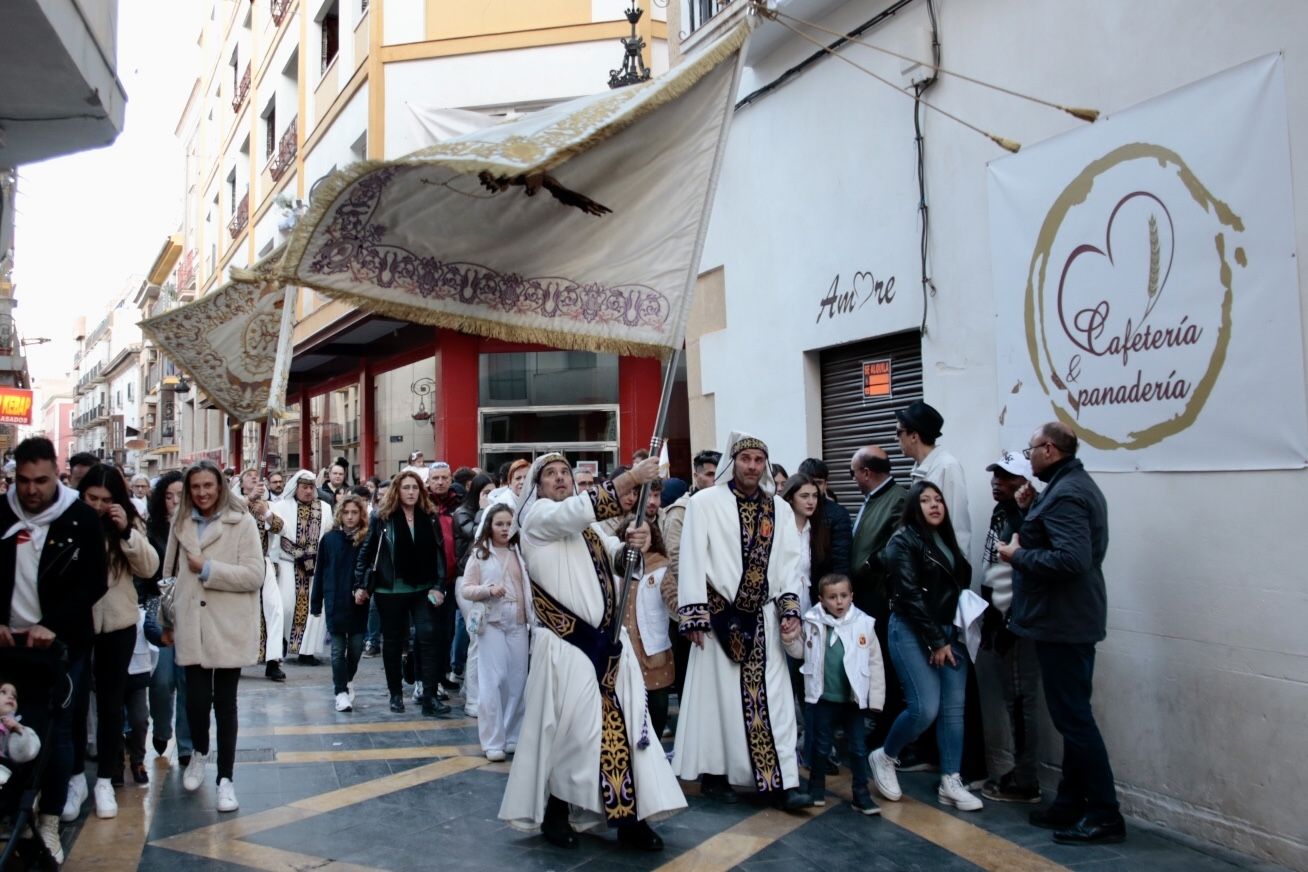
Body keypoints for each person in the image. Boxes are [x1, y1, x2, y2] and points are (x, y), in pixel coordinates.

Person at [500, 454, 683, 851]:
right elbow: (577, 511)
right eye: (551, 474)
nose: (561, 478)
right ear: (537, 486)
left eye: (565, 472)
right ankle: (556, 812)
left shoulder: (589, 529)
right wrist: (632, 478)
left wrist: (634, 546)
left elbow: (614, 558)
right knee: (574, 734)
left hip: (607, 646)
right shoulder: (537, 519)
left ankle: (631, 820)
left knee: (629, 731)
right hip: (567, 646)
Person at [998, 422, 1124, 845]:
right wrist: (1034, 506)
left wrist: (1017, 556)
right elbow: (1059, 537)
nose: (1027, 455)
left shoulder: (1069, 492)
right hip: (1065, 619)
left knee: (1075, 719)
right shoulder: (1064, 488)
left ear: (1049, 450)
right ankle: (1071, 802)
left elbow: (1072, 559)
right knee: (1073, 716)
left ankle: (1105, 813)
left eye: (1031, 448)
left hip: (1064, 621)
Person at [674, 432, 811, 810]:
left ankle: (780, 781)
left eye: (758, 459)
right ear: (732, 462)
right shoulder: (704, 503)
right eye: (746, 458)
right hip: (718, 618)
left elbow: (788, 564)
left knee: (776, 702)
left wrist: (789, 611)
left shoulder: (778, 510)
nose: (752, 465)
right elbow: (691, 559)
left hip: (764, 617)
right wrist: (694, 614)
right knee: (718, 700)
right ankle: (718, 773)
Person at [0, 437, 108, 861]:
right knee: (9, 725)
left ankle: (48, 820)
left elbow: (92, 583)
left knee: (58, 731)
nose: (31, 490)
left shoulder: (79, 518)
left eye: (41, 480)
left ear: (55, 473)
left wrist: (52, 626)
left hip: (61, 643)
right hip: (8, 644)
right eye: (23, 481)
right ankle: (10, 811)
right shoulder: (2, 512)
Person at [869, 481, 982, 812]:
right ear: (913, 508)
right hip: (912, 629)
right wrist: (936, 640)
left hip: (949, 631)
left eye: (938, 500)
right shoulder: (902, 540)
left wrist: (949, 634)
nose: (935, 505)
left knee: (953, 709)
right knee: (924, 708)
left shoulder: (945, 539)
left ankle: (951, 780)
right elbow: (909, 594)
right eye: (926, 500)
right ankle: (886, 755)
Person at [164, 460, 264, 814]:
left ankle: (226, 779)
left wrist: (208, 569)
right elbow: (168, 574)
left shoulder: (243, 522)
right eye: (196, 487)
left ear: (220, 486)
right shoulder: (181, 522)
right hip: (191, 624)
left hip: (228, 625)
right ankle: (198, 754)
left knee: (225, 704)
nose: (203, 493)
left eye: (209, 486)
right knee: (194, 701)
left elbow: (255, 575)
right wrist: (167, 615)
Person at [77, 464, 160, 819]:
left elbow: (149, 567)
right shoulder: (68, 522)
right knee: (75, 702)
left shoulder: (127, 523)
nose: (97, 505)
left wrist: (125, 531)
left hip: (118, 624)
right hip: (75, 624)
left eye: (105, 500)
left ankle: (106, 780)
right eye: (91, 498)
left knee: (112, 705)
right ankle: (74, 776)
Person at [973, 450, 1042, 804]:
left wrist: (1006, 623)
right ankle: (1020, 770)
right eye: (995, 475)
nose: (997, 482)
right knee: (1012, 698)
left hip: (1016, 624)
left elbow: (1024, 576)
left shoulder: (1030, 516)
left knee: (1020, 699)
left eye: (1007, 477)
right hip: (998, 619)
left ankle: (1026, 778)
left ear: (1025, 481)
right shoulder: (1001, 513)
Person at [783, 573, 884, 815]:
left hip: (853, 700)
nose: (838, 602)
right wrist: (789, 640)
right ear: (821, 599)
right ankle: (816, 789)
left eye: (843, 596)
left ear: (851, 597)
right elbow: (801, 653)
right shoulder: (813, 622)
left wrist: (876, 699)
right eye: (832, 597)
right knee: (820, 746)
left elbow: (875, 663)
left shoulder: (863, 624)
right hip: (823, 697)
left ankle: (861, 793)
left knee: (858, 748)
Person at [353, 470, 450, 717]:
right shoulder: (382, 517)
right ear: (398, 490)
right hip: (389, 588)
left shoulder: (428, 516)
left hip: (422, 588)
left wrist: (439, 586)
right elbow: (367, 552)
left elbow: (439, 553)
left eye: (415, 488)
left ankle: (429, 695)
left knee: (428, 636)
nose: (411, 492)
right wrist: (360, 584)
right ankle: (396, 694)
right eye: (406, 487)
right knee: (394, 642)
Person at [460, 503, 531, 761]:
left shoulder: (520, 552)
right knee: (493, 680)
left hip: (519, 622)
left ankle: (511, 736)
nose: (504, 528)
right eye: (499, 523)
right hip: (491, 624)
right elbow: (466, 589)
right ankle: (492, 740)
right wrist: (488, 589)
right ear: (489, 526)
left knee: (517, 681)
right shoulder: (480, 555)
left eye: (508, 524)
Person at [848, 446, 907, 750]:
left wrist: (871, 563)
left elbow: (899, 543)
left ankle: (887, 734)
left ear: (866, 473)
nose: (853, 478)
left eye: (853, 473)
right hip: (864, 596)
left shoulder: (898, 499)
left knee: (884, 665)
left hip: (881, 597)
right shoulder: (873, 499)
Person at [144, 471, 192, 770]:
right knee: (162, 680)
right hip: (158, 610)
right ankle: (162, 728)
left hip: (191, 611)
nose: (175, 501)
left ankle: (186, 745)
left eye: (180, 495)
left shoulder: (198, 529)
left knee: (188, 680)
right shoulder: (151, 533)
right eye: (169, 495)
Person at [615, 515, 675, 741]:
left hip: (652, 647)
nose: (639, 539)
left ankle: (656, 744)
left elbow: (672, 595)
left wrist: (690, 614)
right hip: (625, 647)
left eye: (644, 534)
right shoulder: (619, 567)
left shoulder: (661, 567)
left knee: (657, 701)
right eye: (632, 534)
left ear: (653, 537)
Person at [311, 495, 370, 713]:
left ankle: (347, 679)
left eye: (355, 512)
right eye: (346, 513)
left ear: (361, 515)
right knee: (337, 650)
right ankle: (340, 692)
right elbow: (319, 573)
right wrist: (316, 604)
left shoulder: (366, 538)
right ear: (340, 515)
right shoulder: (329, 540)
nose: (350, 517)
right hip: (335, 599)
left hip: (358, 601)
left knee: (355, 648)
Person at [271, 470, 334, 665]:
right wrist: (275, 563)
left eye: (310, 487)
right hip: (288, 563)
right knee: (286, 606)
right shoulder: (281, 506)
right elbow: (276, 538)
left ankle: (306, 652)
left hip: (315, 567)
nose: (308, 491)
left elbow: (328, 534)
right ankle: (281, 643)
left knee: (314, 610)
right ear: (295, 488)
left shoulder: (324, 507)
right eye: (304, 487)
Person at [895, 401, 971, 555]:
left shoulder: (947, 467)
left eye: (899, 432)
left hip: (942, 569)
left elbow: (958, 527)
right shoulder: (920, 469)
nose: (895, 438)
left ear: (914, 436)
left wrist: (957, 573)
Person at [235, 470, 286, 681]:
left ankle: (273, 660)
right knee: (240, 612)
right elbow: (228, 515)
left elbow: (280, 528)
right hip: (238, 564)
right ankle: (236, 659)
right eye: (250, 476)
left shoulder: (267, 504)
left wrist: (265, 512)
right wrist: (248, 501)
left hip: (263, 562)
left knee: (275, 609)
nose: (255, 478)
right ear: (242, 482)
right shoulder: (234, 501)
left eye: (258, 476)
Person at [452, 472, 493, 711]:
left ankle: (471, 687)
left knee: (483, 638)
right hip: (466, 580)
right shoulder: (463, 513)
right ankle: (473, 699)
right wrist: (484, 511)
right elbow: (474, 534)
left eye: (493, 492)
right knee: (477, 636)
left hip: (489, 581)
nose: (490, 497)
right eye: (485, 492)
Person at [426, 461, 466, 697]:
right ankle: (430, 680)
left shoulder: (459, 505)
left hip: (455, 577)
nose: (440, 482)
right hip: (431, 580)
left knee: (449, 630)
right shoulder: (422, 505)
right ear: (429, 481)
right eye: (436, 478)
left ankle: (442, 674)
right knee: (431, 632)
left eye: (444, 478)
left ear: (451, 479)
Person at [796, 458, 853, 579]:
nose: (814, 487)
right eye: (809, 482)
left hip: (824, 585)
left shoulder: (838, 514)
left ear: (826, 484)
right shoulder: (789, 511)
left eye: (819, 482)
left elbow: (841, 562)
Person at [781, 473, 828, 613]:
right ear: (790, 498)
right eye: (804, 496)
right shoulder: (779, 529)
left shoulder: (818, 531)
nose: (811, 501)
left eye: (814, 496)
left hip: (808, 603)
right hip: (781, 603)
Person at [0, 679, 40, 786]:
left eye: (14, 696)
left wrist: (17, 728)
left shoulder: (16, 728)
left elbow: (28, 752)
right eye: (3, 692)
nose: (11, 697)